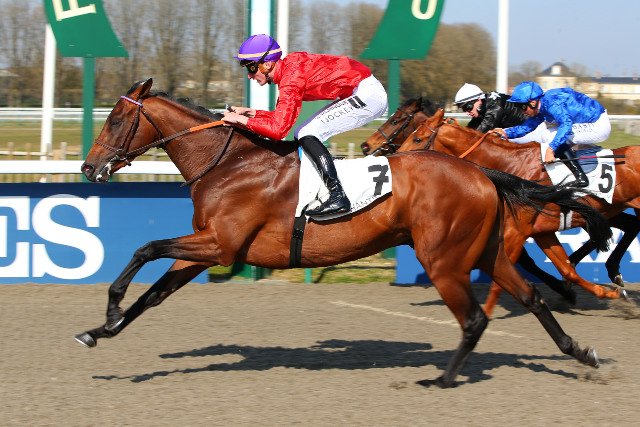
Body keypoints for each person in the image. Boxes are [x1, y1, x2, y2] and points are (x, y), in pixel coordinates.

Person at [223, 34, 388, 216]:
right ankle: (326, 187)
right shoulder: (289, 73)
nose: (249, 75)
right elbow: (280, 119)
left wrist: (241, 120)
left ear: (267, 64)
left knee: (307, 132)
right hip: (360, 91)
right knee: (302, 132)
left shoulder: (291, 78)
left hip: (367, 95)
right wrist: (253, 114)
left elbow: (278, 130)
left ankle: (337, 195)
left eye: (251, 68)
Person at [493, 81, 611, 187]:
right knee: (546, 135)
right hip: (589, 122)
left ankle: (581, 177)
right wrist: (505, 132)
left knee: (552, 137)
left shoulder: (551, 104)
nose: (521, 111)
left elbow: (566, 124)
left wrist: (551, 150)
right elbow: (527, 127)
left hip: (598, 125)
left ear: (533, 102)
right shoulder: (541, 105)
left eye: (522, 107)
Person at [454, 83, 527, 132]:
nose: (467, 113)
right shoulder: (483, 106)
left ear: (478, 99)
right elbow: (470, 129)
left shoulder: (495, 105)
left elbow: (480, 132)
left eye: (468, 107)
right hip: (517, 129)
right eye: (464, 109)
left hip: (529, 127)